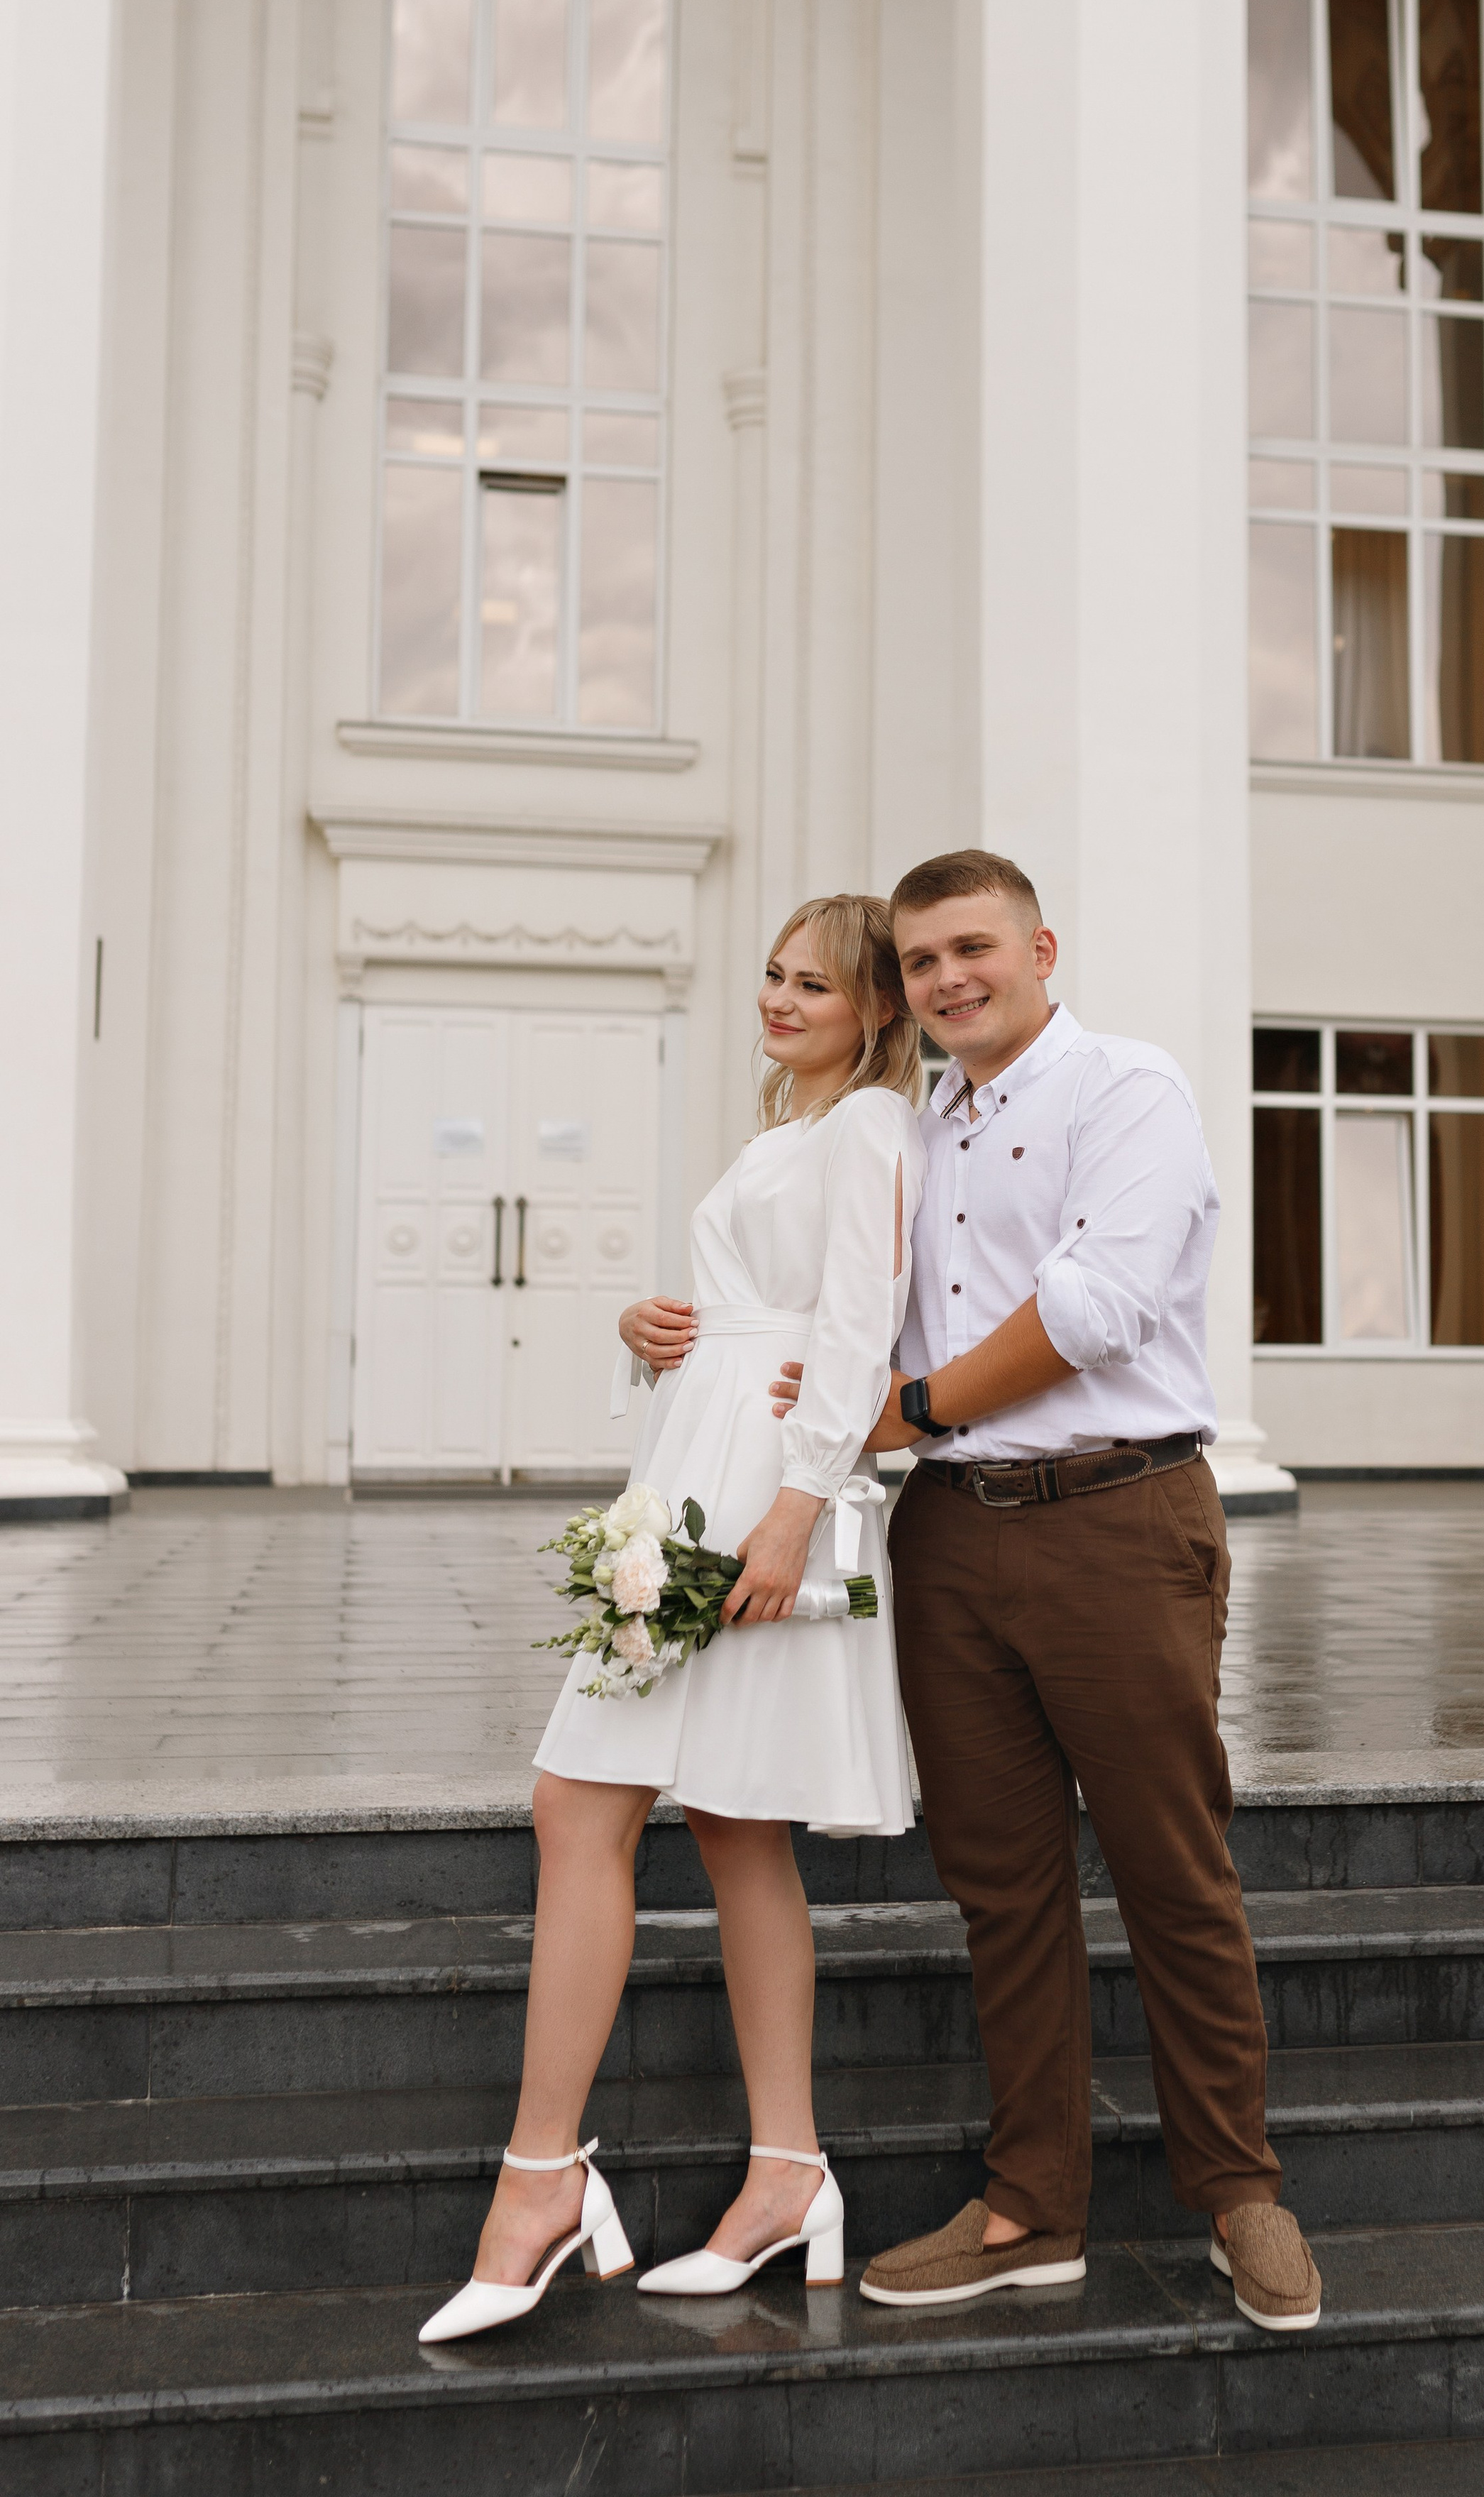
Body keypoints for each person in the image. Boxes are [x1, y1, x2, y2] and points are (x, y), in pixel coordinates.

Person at [775, 848, 1321, 2334]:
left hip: (1116, 1520)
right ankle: (1030, 2211)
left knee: (1168, 1867)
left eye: (972, 948)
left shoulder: (1123, 1088)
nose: (946, 979)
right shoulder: (909, 1127)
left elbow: (1094, 1306)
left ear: (1037, 947)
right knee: (1000, 1890)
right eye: (920, 961)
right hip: (947, 1537)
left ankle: (1237, 2192)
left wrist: (911, 1406)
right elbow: (836, 1309)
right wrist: (679, 1331)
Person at [418, 896, 927, 2344]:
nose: (776, 998)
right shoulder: (786, 1133)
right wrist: (670, 1335)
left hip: (761, 1497)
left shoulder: (871, 1129)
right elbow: (765, 1315)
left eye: (811, 983)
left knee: (596, 1803)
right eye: (770, 975)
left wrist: (793, 1512)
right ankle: (779, 2171)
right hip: (699, 1468)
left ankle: (543, 2180)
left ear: (876, 1008)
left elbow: (855, 1324)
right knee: (708, 1820)